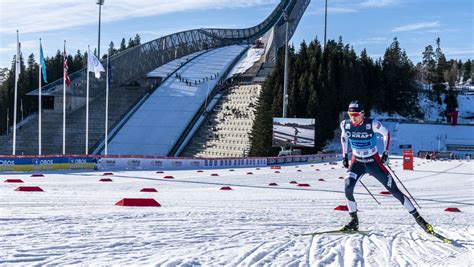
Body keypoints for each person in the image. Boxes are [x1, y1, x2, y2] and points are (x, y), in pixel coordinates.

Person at [340, 100, 432, 233]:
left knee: (395, 191)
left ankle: (420, 220)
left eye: (355, 114)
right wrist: (344, 156)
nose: (353, 117)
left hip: (373, 162)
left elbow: (386, 133)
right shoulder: (345, 124)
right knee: (348, 187)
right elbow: (344, 137)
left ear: (362, 114)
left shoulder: (372, 124)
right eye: (350, 114)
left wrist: (385, 152)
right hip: (357, 162)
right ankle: (354, 220)